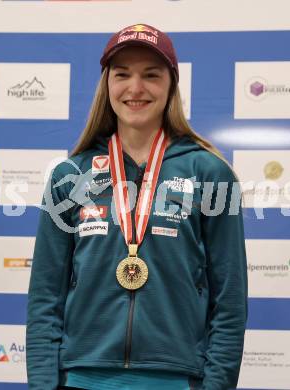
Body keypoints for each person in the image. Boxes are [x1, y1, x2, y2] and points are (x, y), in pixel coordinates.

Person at [26, 23, 248, 390]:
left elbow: (230, 303)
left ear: (171, 86)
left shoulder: (210, 173)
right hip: (81, 376)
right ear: (107, 84)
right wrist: (43, 384)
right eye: (122, 74)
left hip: (176, 378)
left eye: (151, 75)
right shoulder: (70, 176)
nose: (135, 88)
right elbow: (45, 296)